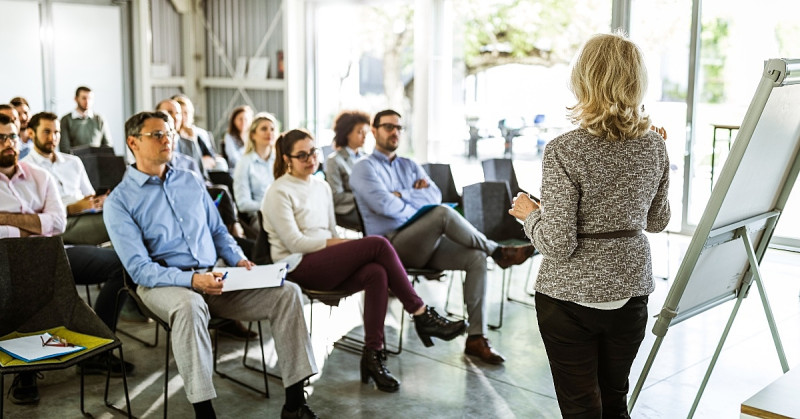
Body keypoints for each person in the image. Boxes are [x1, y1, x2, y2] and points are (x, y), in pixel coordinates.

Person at [104, 111, 318, 419]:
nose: (168, 140)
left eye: (169, 133)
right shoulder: (120, 201)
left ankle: (295, 404)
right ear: (132, 143)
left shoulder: (190, 181)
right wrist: (192, 282)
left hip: (214, 274)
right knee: (190, 306)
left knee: (288, 292)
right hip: (163, 285)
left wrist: (237, 258)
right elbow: (139, 270)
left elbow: (219, 231)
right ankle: (204, 413)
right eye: (157, 135)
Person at [508, 33, 671, 419]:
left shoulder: (564, 149)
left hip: (568, 301)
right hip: (630, 291)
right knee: (614, 402)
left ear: (584, 79)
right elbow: (657, 221)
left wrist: (529, 214)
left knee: (582, 408)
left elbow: (558, 244)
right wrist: (656, 167)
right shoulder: (655, 145)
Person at [262, 128, 466, 393]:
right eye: (302, 155)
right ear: (286, 158)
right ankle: (420, 312)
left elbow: (332, 233)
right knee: (378, 244)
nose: (311, 158)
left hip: (325, 261)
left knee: (376, 273)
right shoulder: (278, 191)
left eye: (313, 151)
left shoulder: (321, 186)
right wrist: (347, 245)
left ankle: (373, 355)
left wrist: (342, 246)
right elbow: (296, 244)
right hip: (297, 265)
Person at [350, 109, 535, 365]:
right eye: (388, 127)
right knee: (440, 215)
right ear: (374, 130)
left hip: (424, 242)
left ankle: (476, 338)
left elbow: (434, 195)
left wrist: (400, 194)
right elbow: (384, 206)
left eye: (399, 128)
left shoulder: (409, 165)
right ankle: (498, 251)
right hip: (390, 248)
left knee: (476, 257)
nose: (395, 132)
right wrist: (413, 198)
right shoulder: (363, 168)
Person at [0, 113, 131, 405]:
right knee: (24, 281)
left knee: (119, 265)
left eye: (10, 136)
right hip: (6, 266)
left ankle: (98, 352)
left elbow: (58, 224)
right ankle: (26, 370)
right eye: (0, 138)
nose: (8, 143)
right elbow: (46, 223)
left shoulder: (39, 177)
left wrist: (7, 222)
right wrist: (33, 224)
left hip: (55, 254)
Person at [21, 111, 109, 245]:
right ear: (31, 133)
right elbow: (33, 215)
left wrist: (98, 201)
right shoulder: (25, 168)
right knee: (117, 222)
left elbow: (88, 195)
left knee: (124, 213)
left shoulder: (73, 162)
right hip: (61, 223)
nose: (53, 137)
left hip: (85, 215)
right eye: (46, 132)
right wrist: (71, 208)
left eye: (56, 132)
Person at [324, 110, 369, 231]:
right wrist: (365, 196)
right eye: (360, 132)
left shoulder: (366, 157)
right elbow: (336, 196)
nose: (364, 136)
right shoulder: (334, 160)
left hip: (367, 204)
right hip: (347, 208)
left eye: (366, 132)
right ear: (347, 133)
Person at [233, 112, 277, 222]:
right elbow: (243, 204)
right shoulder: (244, 163)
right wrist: (271, 207)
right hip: (259, 217)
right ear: (252, 135)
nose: (269, 132)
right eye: (264, 129)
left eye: (272, 129)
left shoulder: (279, 160)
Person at [172, 94, 229, 172]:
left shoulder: (198, 134)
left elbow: (211, 159)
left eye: (186, 113)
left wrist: (193, 138)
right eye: (181, 113)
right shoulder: (173, 137)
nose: (184, 117)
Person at [59, 86, 113, 153]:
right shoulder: (66, 120)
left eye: (90, 98)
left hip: (97, 161)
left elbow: (108, 146)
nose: (87, 101)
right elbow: (64, 148)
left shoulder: (99, 119)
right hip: (75, 161)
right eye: (84, 98)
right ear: (76, 99)